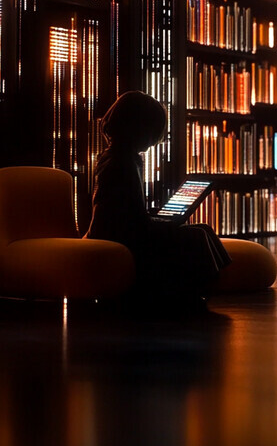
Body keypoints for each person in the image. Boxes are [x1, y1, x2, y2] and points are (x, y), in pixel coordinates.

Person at [84, 90, 233, 303]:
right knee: (196, 235)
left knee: (202, 230)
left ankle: (209, 285)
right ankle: (196, 290)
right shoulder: (123, 163)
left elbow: (127, 210)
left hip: (120, 231)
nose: (154, 140)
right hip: (120, 236)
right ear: (140, 128)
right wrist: (163, 222)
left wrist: (157, 217)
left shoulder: (117, 157)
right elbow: (133, 224)